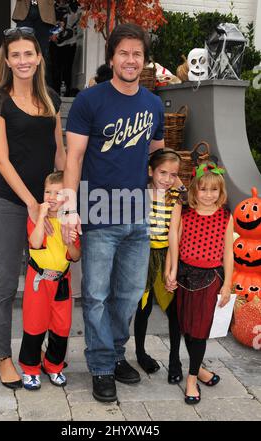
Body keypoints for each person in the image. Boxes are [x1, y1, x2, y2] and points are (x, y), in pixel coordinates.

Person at [61, 23, 165, 403]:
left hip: (137, 213)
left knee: (129, 294)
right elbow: (73, 157)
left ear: (144, 59)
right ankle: (102, 365)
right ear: (112, 57)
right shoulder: (90, 101)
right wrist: (71, 207)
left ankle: (117, 352)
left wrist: (164, 188)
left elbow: (157, 154)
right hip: (98, 213)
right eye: (124, 53)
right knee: (97, 295)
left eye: (137, 53)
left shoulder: (154, 105)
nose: (131, 59)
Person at [0, 27, 66, 390]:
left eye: (28, 54)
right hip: (9, 204)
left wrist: (64, 201)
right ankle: (3, 357)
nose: (22, 61)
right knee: (6, 282)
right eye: (15, 55)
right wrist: (33, 204)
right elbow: (2, 160)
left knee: (50, 278)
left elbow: (60, 154)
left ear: (38, 58)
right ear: (6, 59)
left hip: (48, 206)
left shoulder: (51, 99)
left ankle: (43, 355)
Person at [167, 161, 234, 404]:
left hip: (210, 280)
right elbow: (174, 242)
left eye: (213, 190)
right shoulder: (186, 214)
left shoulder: (226, 216)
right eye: (203, 189)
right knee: (187, 326)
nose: (208, 195)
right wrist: (171, 271)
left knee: (200, 331)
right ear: (195, 190)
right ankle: (201, 369)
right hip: (185, 277)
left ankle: (192, 378)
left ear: (221, 192)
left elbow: (228, 252)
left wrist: (227, 285)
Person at [18, 171, 81, 390]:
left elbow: (75, 256)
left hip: (61, 282)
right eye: (48, 192)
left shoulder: (70, 220)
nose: (52, 197)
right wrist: (40, 218)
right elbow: (34, 244)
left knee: (61, 327)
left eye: (58, 193)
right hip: (39, 280)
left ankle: (54, 365)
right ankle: (30, 368)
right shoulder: (36, 217)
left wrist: (70, 241)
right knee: (34, 324)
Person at [134, 148, 183, 384]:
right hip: (142, 253)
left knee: (174, 311)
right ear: (151, 171)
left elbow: (174, 233)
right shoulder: (140, 193)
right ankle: (140, 353)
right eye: (163, 172)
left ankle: (175, 360)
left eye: (173, 175)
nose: (167, 179)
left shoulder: (175, 197)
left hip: (166, 254)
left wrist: (171, 269)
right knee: (142, 308)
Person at [49, 0, 80, 96]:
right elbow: (46, 22)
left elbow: (77, 20)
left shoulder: (74, 6)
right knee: (55, 68)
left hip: (70, 42)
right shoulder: (51, 6)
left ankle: (67, 92)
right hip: (54, 41)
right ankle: (55, 92)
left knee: (67, 68)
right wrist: (51, 34)